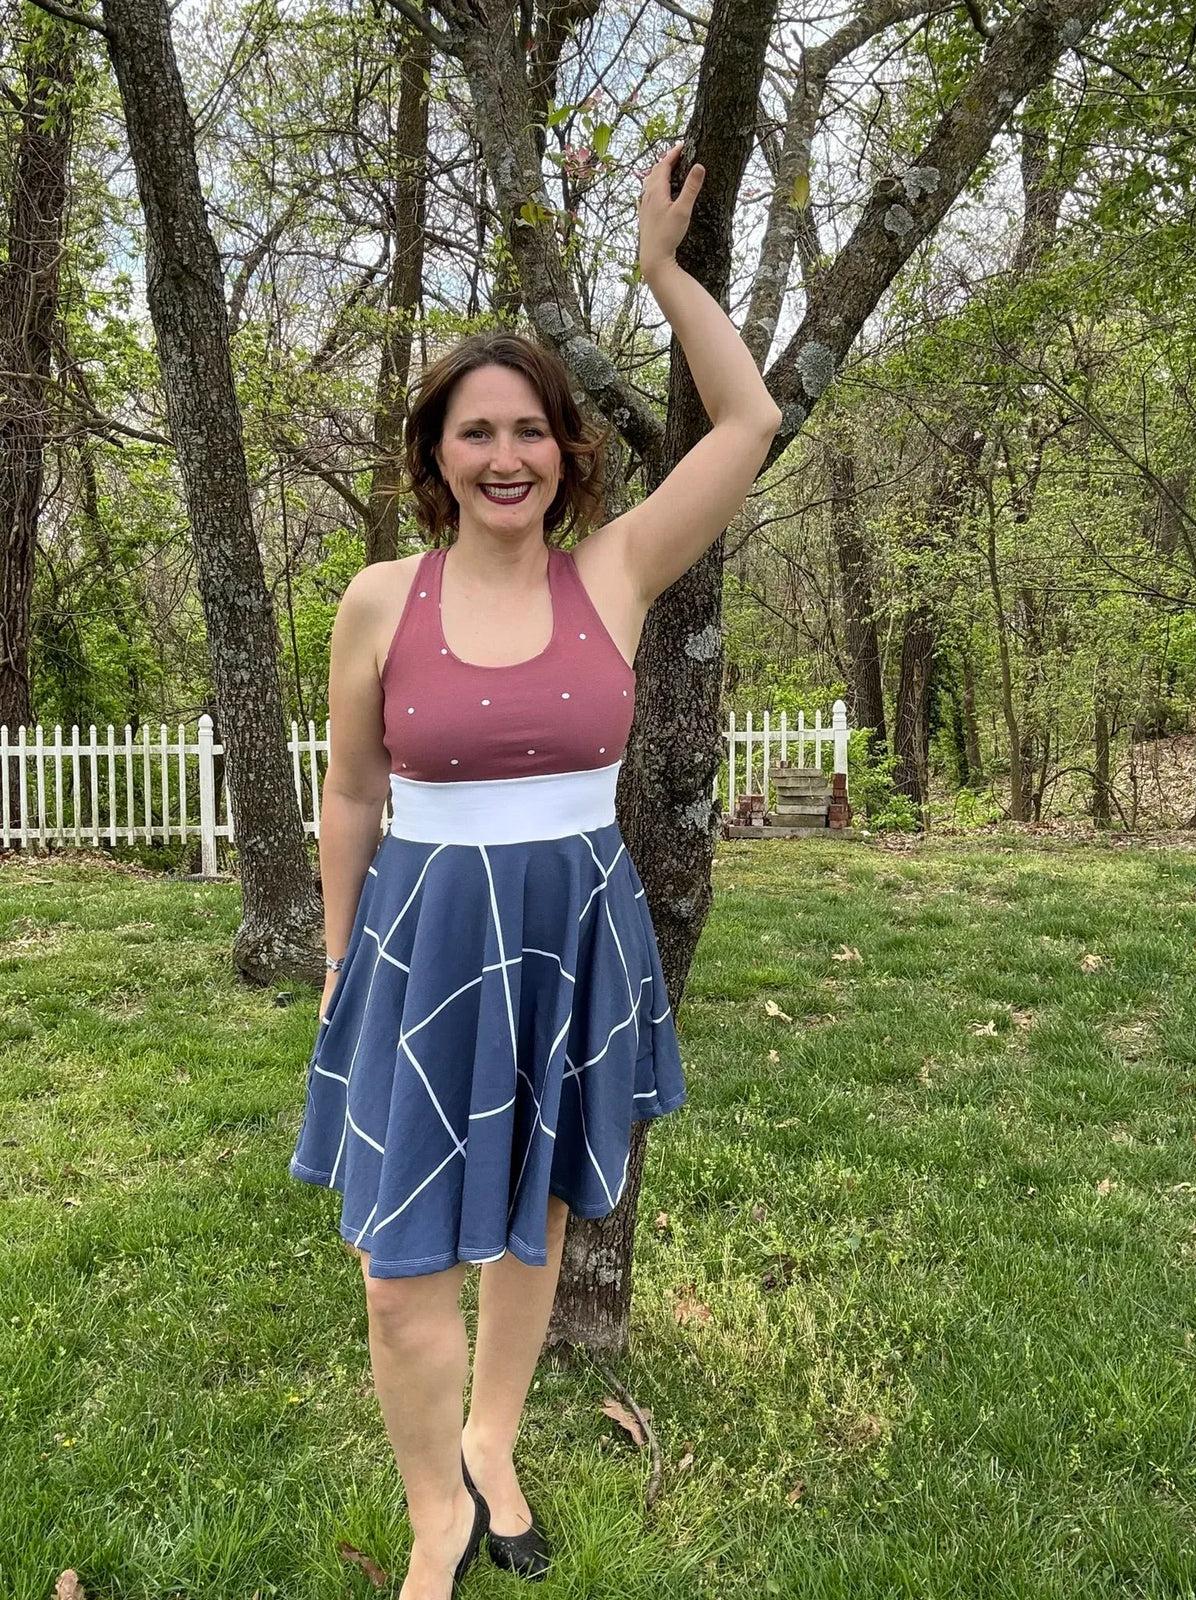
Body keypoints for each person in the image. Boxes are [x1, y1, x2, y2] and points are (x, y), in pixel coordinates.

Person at [289, 142, 781, 1600]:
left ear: (568, 452)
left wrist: (660, 272)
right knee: (397, 1271)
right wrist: (334, 964)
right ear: (436, 455)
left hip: (569, 931)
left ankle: (495, 1442)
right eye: (474, 430)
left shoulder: (613, 575)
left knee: (540, 1212)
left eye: (531, 430)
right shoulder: (381, 599)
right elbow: (351, 792)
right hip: (424, 945)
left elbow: (750, 420)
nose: (505, 454)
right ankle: (436, 1515)